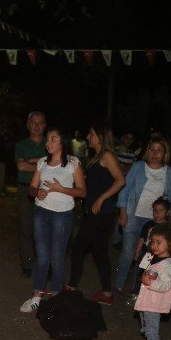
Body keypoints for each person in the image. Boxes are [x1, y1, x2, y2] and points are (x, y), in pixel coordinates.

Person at [19, 128, 86, 312]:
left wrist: (59, 188)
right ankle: (36, 297)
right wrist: (36, 192)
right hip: (41, 213)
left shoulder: (73, 163)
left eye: (53, 139)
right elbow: (31, 188)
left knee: (57, 257)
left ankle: (57, 297)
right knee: (42, 257)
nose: (48, 143)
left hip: (63, 215)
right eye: (48, 139)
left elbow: (82, 191)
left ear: (62, 143)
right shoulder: (42, 163)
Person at [67, 123, 125, 304]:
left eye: (91, 134)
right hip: (96, 212)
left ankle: (71, 287)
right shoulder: (96, 156)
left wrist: (101, 198)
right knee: (99, 252)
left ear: (100, 136)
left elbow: (120, 180)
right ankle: (107, 293)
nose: (88, 137)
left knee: (77, 248)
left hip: (102, 213)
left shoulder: (107, 155)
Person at [115, 135, 171, 295]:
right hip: (133, 216)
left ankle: (139, 288)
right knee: (128, 252)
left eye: (159, 150)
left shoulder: (169, 172)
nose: (155, 153)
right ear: (147, 151)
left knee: (147, 256)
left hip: (155, 221)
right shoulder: (138, 166)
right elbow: (125, 189)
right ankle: (118, 285)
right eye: (152, 149)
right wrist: (122, 212)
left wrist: (170, 221)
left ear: (165, 153)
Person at [133, 223, 171, 340]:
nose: (154, 245)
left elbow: (165, 285)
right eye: (153, 242)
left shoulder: (167, 266)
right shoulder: (152, 258)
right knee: (148, 328)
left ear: (170, 244)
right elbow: (144, 273)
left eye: (159, 242)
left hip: (154, 304)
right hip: (147, 302)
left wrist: (150, 283)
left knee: (151, 330)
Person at [15, 111, 47, 276]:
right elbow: (21, 167)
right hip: (25, 189)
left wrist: (31, 162)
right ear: (28, 125)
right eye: (33, 122)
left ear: (45, 125)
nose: (36, 125)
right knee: (25, 227)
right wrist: (44, 165)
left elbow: (56, 167)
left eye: (40, 122)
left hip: (47, 191)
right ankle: (27, 264)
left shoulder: (51, 144)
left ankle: (44, 263)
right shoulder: (21, 145)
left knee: (44, 228)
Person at [131, 198, 171, 296]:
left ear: (167, 212)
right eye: (155, 210)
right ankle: (136, 292)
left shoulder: (168, 227)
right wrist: (137, 251)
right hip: (148, 254)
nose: (157, 213)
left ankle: (151, 293)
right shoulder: (148, 224)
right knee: (141, 272)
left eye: (161, 210)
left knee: (156, 275)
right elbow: (142, 239)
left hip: (161, 256)